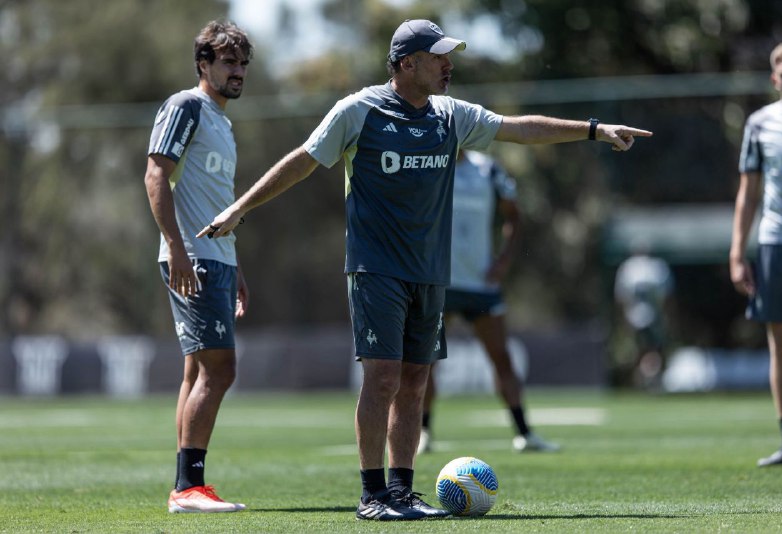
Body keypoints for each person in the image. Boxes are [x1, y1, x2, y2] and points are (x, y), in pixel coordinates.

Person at [198, 19, 652, 520]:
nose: (448, 65)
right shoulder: (359, 111)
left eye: (447, 56)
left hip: (431, 273)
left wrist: (593, 130)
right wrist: (240, 208)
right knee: (384, 378)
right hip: (376, 269)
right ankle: (373, 496)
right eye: (438, 57)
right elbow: (304, 160)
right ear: (406, 63)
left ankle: (402, 490)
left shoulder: (449, 115)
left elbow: (517, 129)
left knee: (416, 379)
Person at [144, 20, 253, 512]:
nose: (238, 71)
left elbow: (213, 201)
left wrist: (237, 267)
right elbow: (155, 175)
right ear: (203, 63)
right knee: (220, 369)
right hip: (194, 260)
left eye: (243, 63)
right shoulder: (187, 106)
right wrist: (178, 247)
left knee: (195, 373)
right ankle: (189, 487)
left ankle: (185, 483)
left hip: (216, 259)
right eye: (229, 61)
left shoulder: (222, 121)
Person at [417, 150, 560, 455]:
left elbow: (514, 214)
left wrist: (504, 260)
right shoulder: (425, 161)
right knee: (425, 365)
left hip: (480, 285)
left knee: (502, 359)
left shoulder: (489, 170)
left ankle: (524, 433)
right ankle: (423, 433)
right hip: (439, 282)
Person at [731, 40, 782, 467]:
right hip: (777, 244)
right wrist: (737, 252)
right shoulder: (759, 125)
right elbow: (748, 194)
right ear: (775, 79)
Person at [613, 245, 674, 389]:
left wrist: (624, 319)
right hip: (649, 317)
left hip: (636, 317)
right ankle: (648, 381)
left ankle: (645, 381)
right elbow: (667, 298)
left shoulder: (628, 268)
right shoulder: (657, 267)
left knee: (643, 351)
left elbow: (621, 299)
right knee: (651, 350)